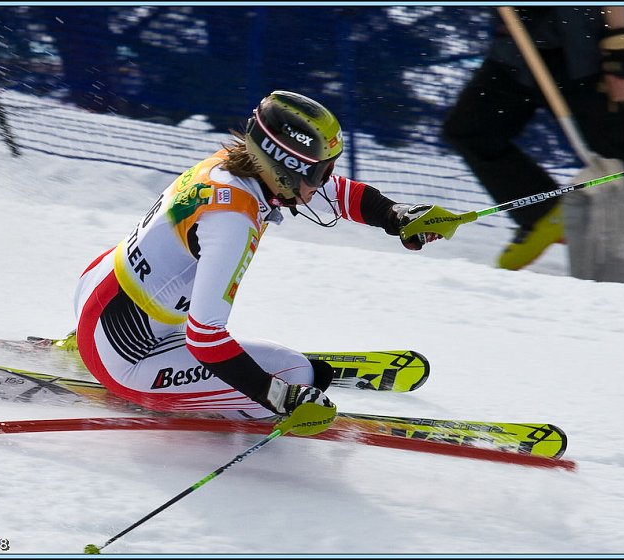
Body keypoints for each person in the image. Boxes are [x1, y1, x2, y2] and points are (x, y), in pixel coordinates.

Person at [73, 90, 441, 430]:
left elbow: (333, 190)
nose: (325, 180)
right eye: (319, 171)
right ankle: (171, 388)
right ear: (283, 166)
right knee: (298, 373)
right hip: (127, 357)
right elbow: (206, 339)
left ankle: (104, 343)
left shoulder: (232, 166)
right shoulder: (232, 222)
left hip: (98, 294)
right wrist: (280, 395)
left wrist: (394, 215)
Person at [442, 6, 624, 271]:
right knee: (471, 129)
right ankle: (545, 214)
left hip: (582, 51)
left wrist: (621, 52)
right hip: (517, 48)